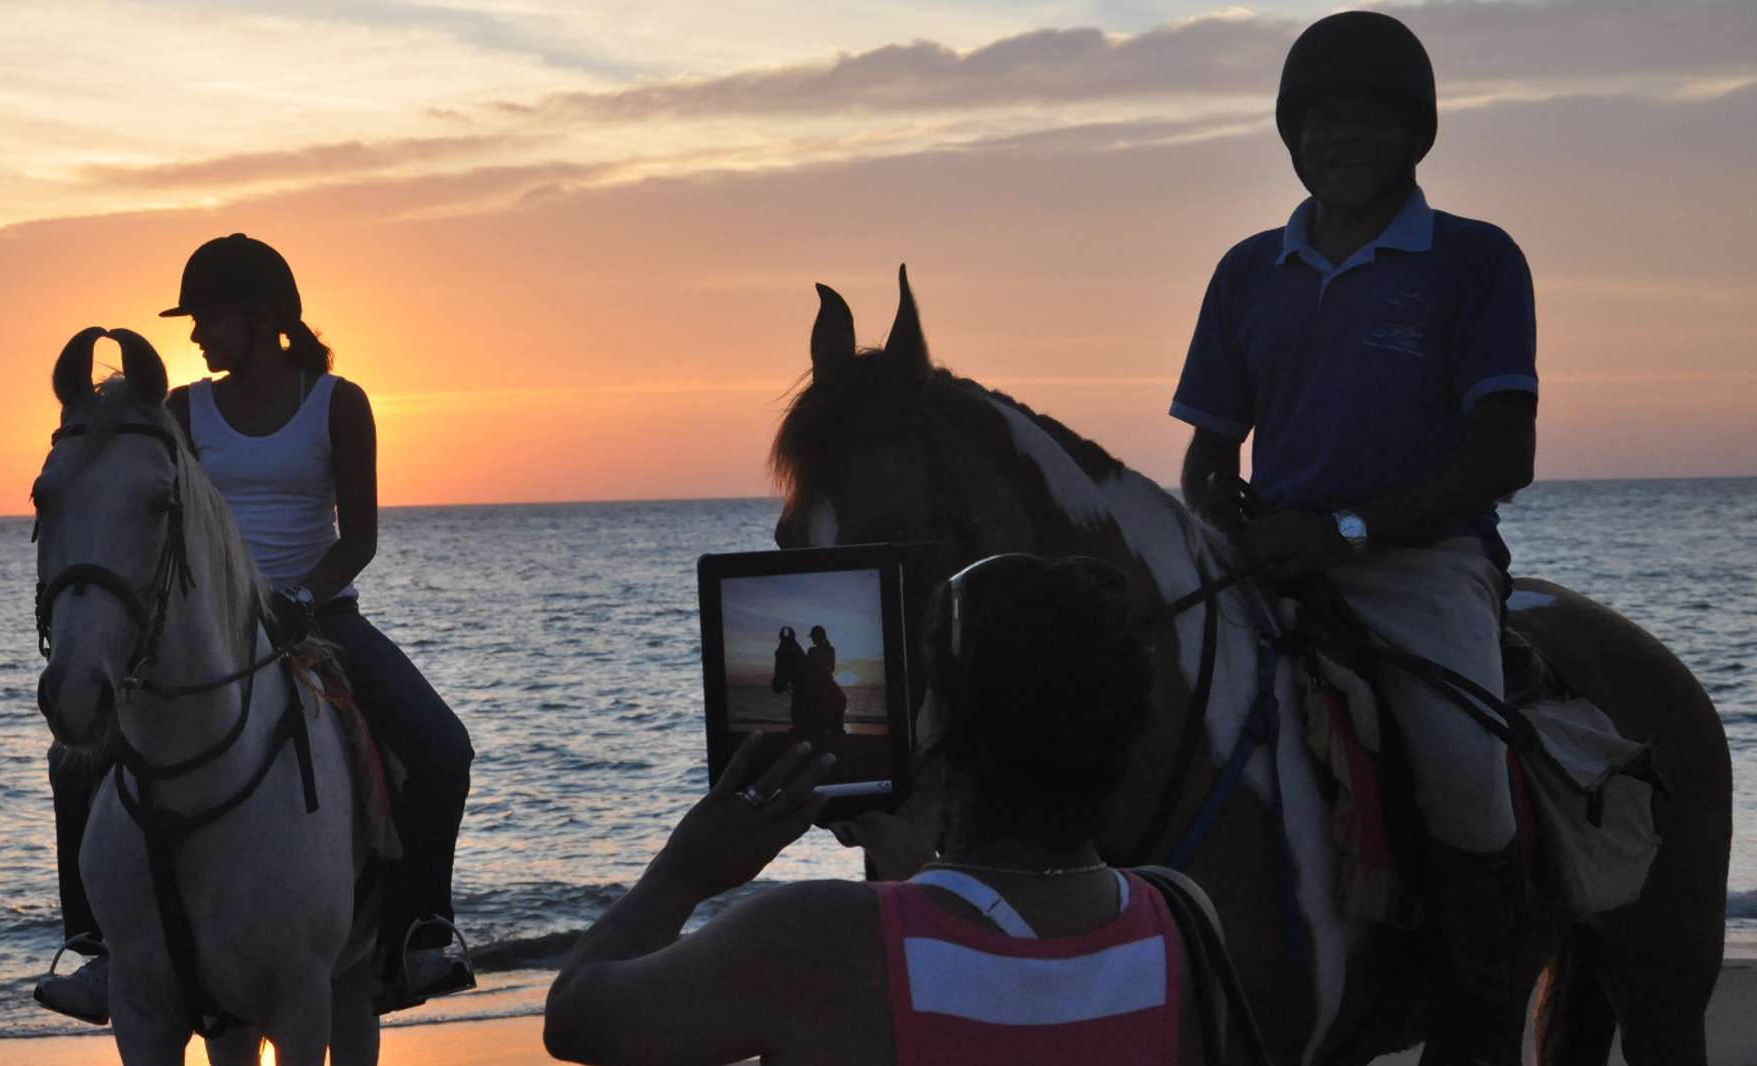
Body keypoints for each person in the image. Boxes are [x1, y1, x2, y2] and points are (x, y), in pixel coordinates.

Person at [1169, 12, 1538, 1063]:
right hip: (1272, 558)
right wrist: (1220, 523)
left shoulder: (1470, 260)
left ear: (1413, 133)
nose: (1341, 139)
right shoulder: (1248, 271)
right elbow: (1208, 449)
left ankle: (1476, 1023)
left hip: (1417, 568)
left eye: (1367, 120)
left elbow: (1501, 452)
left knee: (1468, 775)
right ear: (1291, 134)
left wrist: (1344, 532)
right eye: (1320, 121)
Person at [36, 233, 476, 1021]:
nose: (196, 334)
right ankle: (97, 947)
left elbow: (361, 537)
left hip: (322, 619)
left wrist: (303, 599)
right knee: (74, 763)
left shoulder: (338, 402)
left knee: (442, 748)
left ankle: (418, 930)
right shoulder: (180, 411)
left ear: (261, 315)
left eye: (206, 316)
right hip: (211, 622)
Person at [545, 555, 1223, 1065]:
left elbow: (578, 1015)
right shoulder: (1184, 922)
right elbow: (1025, 987)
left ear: (943, 727)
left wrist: (682, 873)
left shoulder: (815, 938)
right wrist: (919, 872)